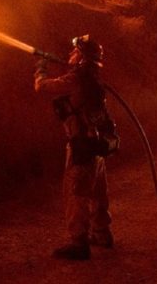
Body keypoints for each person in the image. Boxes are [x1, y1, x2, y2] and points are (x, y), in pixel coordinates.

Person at [34, 34, 116, 261]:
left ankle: (78, 242)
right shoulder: (93, 78)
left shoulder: (77, 78)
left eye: (74, 51)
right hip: (96, 146)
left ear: (81, 57)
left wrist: (41, 67)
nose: (70, 54)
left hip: (81, 145)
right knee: (98, 192)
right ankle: (102, 233)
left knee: (77, 192)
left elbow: (42, 87)